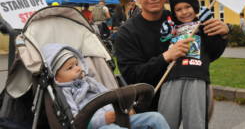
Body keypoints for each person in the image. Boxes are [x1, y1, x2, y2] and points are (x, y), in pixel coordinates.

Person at [115, 0, 230, 110]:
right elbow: (131, 76)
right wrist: (166, 57)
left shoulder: (180, 18)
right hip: (149, 106)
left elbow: (210, 54)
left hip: (188, 96)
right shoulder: (126, 33)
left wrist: (223, 34)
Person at [41, 43, 170, 129]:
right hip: (96, 126)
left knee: (155, 118)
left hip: (117, 116)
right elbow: (76, 121)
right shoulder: (64, 92)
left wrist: (125, 107)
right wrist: (103, 119)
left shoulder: (89, 81)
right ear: (56, 76)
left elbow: (109, 95)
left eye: (76, 64)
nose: (77, 68)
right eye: (70, 68)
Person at [157, 0, 227, 129]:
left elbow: (215, 51)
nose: (184, 12)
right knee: (164, 123)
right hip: (171, 79)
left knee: (196, 123)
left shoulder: (204, 27)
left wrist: (222, 33)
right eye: (178, 9)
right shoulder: (170, 29)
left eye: (188, 7)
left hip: (197, 79)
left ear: (195, 7)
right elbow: (162, 52)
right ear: (174, 12)